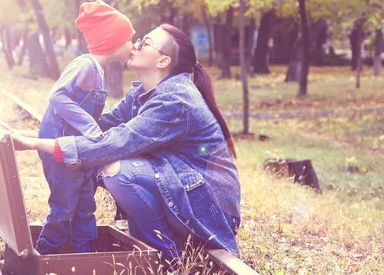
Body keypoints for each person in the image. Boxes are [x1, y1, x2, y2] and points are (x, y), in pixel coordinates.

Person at [12, 24, 241, 262]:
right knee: (96, 163)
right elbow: (102, 127)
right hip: (182, 188)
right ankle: (117, 247)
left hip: (209, 208)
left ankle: (169, 258)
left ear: (163, 62)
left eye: (146, 42)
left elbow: (112, 145)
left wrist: (33, 145)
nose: (136, 44)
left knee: (117, 171)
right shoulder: (142, 92)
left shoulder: (174, 101)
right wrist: (23, 134)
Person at [0, 0, 134, 255]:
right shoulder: (85, 65)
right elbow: (57, 96)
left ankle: (85, 255)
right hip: (60, 152)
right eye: (129, 40)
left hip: (78, 153)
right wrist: (91, 128)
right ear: (113, 41)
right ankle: (41, 256)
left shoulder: (97, 71)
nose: (133, 46)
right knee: (64, 208)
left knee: (85, 207)